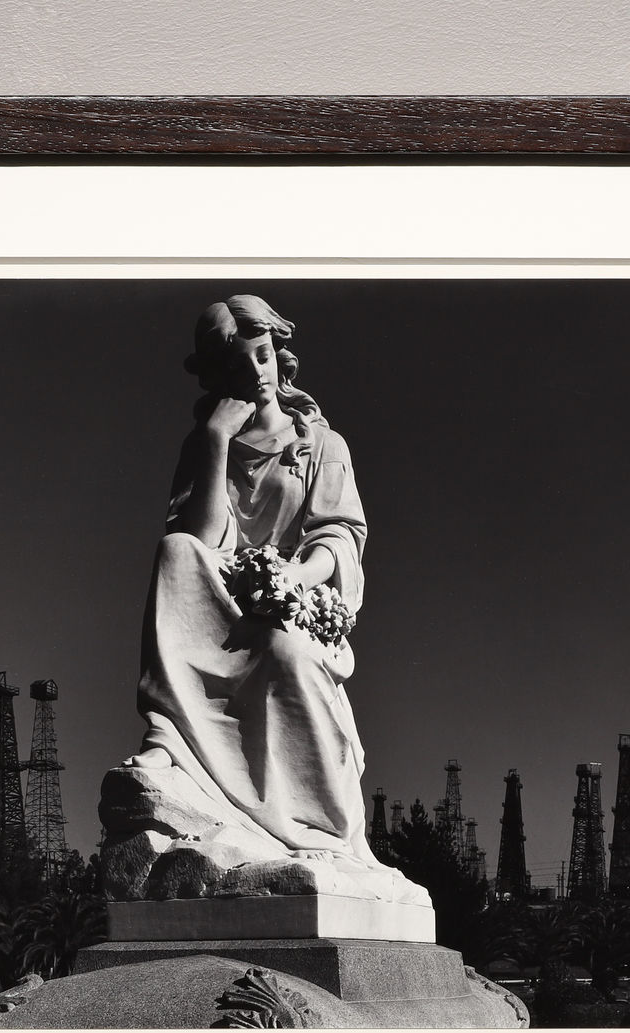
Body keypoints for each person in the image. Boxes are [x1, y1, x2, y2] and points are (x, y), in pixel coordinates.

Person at [125, 294, 422, 903]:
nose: (257, 372)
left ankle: (314, 824)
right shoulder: (208, 442)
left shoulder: (320, 444)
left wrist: (293, 580)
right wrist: (213, 442)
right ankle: (170, 741)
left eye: (263, 356)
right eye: (240, 365)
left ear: (279, 358)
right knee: (173, 553)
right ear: (222, 379)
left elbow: (338, 536)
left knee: (284, 653)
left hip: (295, 603)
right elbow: (203, 539)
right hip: (223, 602)